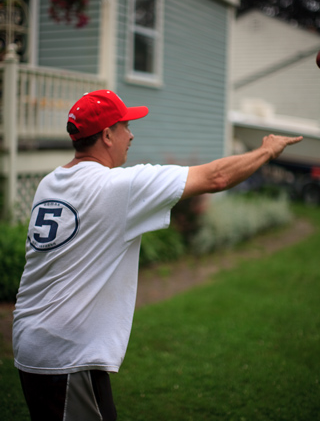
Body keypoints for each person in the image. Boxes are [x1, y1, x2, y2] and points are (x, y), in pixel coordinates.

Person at [12, 89, 303, 421]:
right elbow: (216, 176)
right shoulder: (118, 188)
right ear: (107, 135)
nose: (131, 135)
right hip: (65, 354)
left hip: (31, 341)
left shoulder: (50, 183)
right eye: (125, 126)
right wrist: (266, 150)